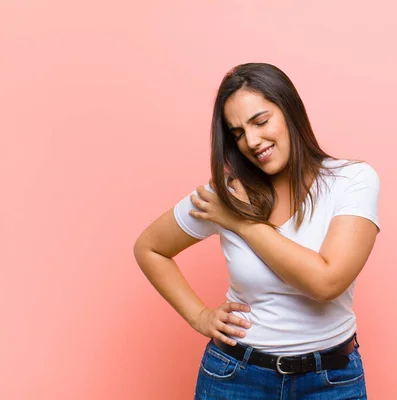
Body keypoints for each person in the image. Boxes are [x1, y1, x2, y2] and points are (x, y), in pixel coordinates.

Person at [133, 62, 381, 399]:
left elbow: (327, 282)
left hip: (331, 381)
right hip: (237, 377)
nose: (251, 141)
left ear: (290, 110)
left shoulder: (352, 180)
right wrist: (200, 316)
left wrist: (242, 222)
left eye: (260, 121)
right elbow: (150, 248)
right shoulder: (228, 194)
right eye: (237, 133)